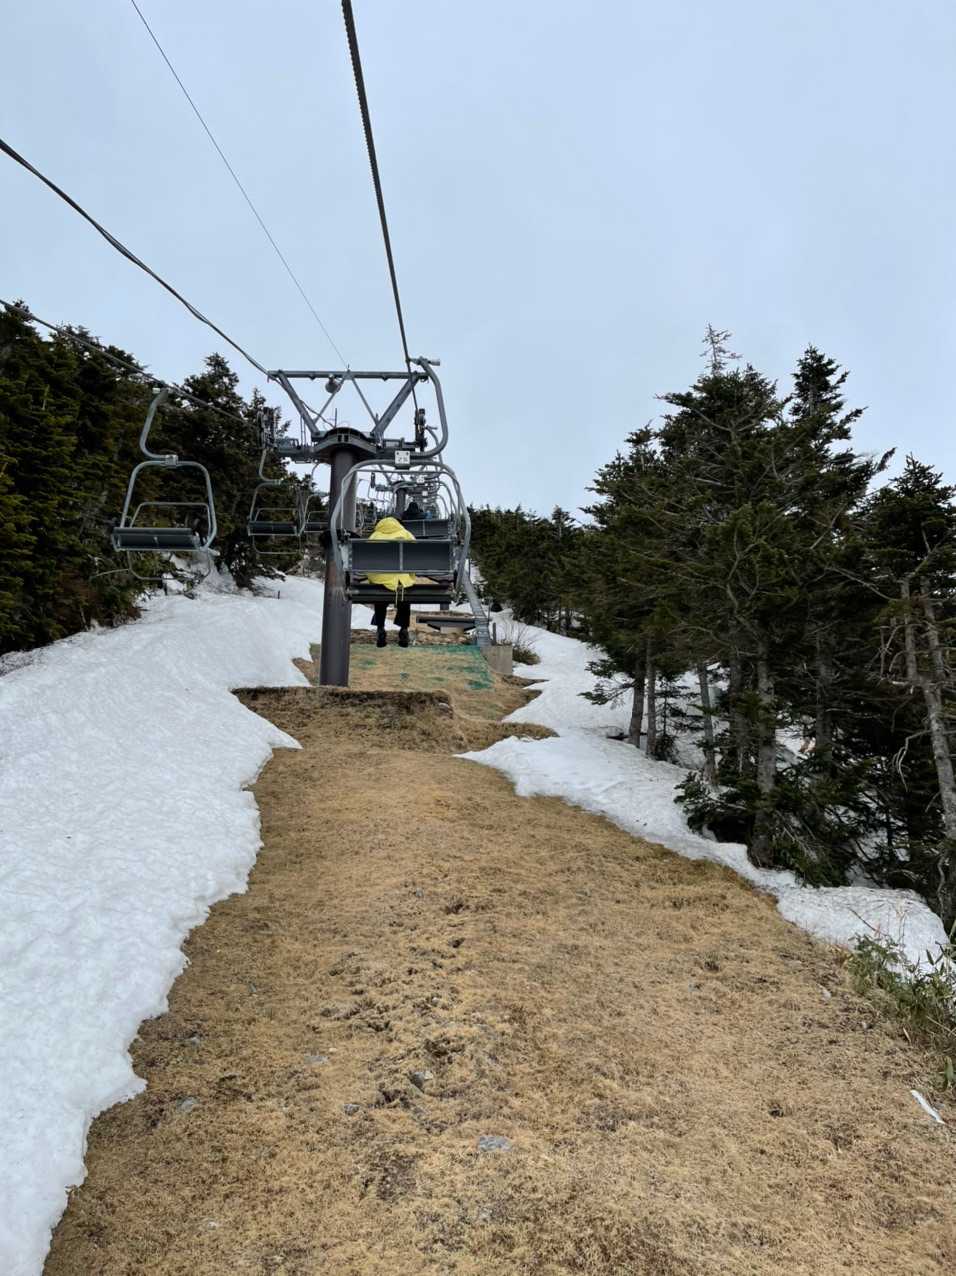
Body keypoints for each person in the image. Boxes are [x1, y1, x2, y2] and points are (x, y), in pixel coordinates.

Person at [366, 516, 417, 648]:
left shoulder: (374, 536)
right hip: (400, 579)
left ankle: (380, 628)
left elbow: (367, 560)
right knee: (403, 595)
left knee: (380, 595)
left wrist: (373, 577)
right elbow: (415, 556)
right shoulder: (406, 534)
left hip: (380, 579)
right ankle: (404, 629)